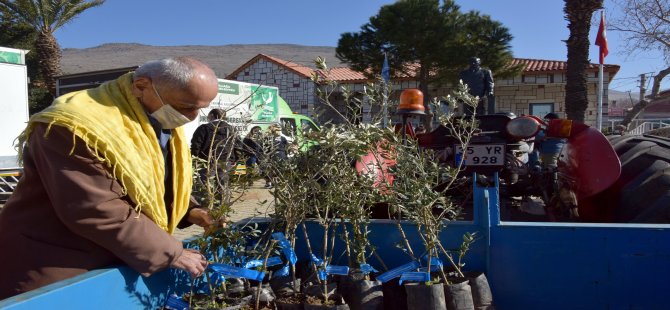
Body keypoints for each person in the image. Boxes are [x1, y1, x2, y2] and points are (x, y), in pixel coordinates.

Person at [0, 57, 219, 299]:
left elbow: (151, 180)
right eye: (186, 106)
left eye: (201, 108)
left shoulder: (153, 117)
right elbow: (95, 206)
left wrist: (190, 209)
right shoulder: (75, 125)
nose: (193, 116)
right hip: (56, 262)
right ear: (141, 86)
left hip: (115, 256)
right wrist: (170, 252)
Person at [190, 108, 240, 186]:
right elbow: (238, 146)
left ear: (212, 115)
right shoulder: (232, 129)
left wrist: (195, 158)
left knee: (204, 185)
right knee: (222, 185)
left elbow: (196, 145)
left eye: (208, 115)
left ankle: (205, 197)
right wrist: (235, 159)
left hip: (207, 161)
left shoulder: (204, 128)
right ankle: (223, 198)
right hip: (226, 161)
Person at [263, 124, 289, 189]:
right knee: (271, 170)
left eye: (279, 130)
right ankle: (270, 183)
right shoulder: (269, 138)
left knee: (278, 170)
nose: (279, 132)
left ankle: (276, 183)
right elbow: (266, 147)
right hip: (273, 155)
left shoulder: (282, 138)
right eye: (277, 130)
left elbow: (287, 147)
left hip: (280, 155)